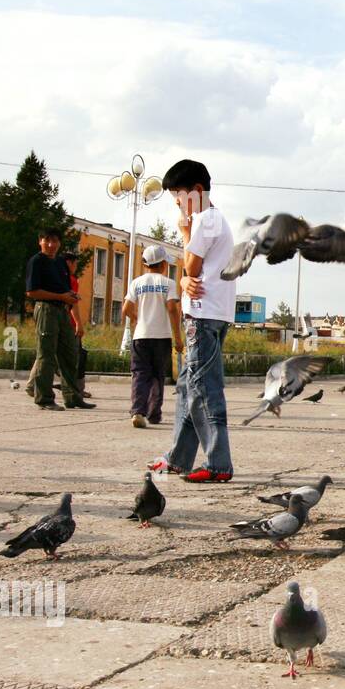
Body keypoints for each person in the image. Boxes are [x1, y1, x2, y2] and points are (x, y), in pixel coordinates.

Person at [150, 159, 236, 483]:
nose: (176, 202)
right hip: (212, 312)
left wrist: (185, 234)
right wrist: (187, 277)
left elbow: (192, 268)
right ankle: (179, 458)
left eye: (178, 195)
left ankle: (219, 464)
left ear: (197, 191)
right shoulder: (214, 219)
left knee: (203, 390)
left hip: (202, 315)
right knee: (189, 387)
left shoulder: (205, 221)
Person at [24, 229, 94, 411]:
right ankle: (44, 399)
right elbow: (32, 292)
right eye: (46, 240)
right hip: (46, 310)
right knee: (46, 356)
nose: (51, 244)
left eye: (54, 241)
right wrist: (61, 296)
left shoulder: (60, 263)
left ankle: (73, 397)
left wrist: (70, 297)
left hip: (63, 311)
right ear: (40, 241)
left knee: (70, 355)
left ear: (59, 243)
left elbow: (64, 288)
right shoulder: (37, 261)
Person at [123, 244, 182, 428]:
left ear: (146, 264)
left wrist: (137, 318)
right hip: (162, 336)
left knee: (140, 374)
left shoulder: (136, 283)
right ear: (163, 264)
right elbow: (172, 309)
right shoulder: (168, 283)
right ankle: (154, 414)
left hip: (141, 335)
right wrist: (178, 338)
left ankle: (137, 411)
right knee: (157, 375)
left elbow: (125, 308)